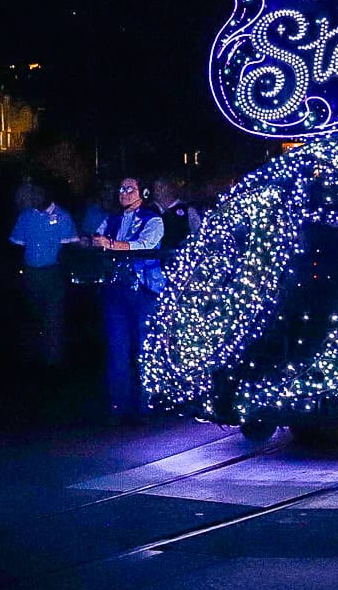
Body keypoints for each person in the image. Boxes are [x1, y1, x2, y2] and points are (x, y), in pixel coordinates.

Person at [92, 176, 163, 422]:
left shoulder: (153, 219)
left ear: (141, 192)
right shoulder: (112, 219)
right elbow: (97, 237)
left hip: (142, 290)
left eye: (128, 189)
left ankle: (147, 402)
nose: (123, 193)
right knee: (117, 347)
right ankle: (118, 404)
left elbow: (146, 244)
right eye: (121, 188)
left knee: (145, 347)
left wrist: (111, 245)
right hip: (115, 288)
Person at [10, 179, 80, 369]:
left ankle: (53, 361)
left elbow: (70, 247)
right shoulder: (26, 217)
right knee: (32, 314)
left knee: (54, 316)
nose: (34, 197)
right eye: (33, 193)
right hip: (31, 271)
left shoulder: (63, 217)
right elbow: (17, 245)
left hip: (53, 272)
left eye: (38, 193)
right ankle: (32, 359)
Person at [152, 175, 202, 256]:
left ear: (170, 189)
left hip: (178, 258)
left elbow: (198, 234)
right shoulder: (148, 211)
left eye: (161, 187)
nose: (157, 191)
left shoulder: (188, 211)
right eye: (155, 188)